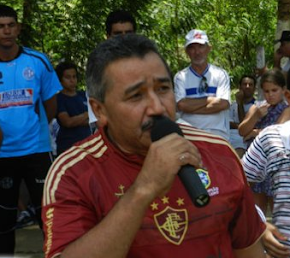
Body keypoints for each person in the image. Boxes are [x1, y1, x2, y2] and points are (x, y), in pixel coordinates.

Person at [42, 34, 266, 258]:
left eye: (162, 89)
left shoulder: (219, 153)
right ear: (99, 110)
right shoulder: (73, 173)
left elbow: (248, 250)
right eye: (135, 96)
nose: (157, 108)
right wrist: (143, 190)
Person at [0, 5, 62, 255]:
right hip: (3, 155)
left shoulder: (38, 61)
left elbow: (51, 105)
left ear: (18, 28)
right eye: (1, 26)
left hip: (37, 151)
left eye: (10, 25)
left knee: (48, 216)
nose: (6, 31)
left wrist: (33, 130)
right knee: (3, 222)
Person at [242, 68, 290, 257]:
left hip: (267, 161)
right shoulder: (259, 110)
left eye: (274, 90)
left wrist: (254, 132)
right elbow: (243, 130)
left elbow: (259, 132)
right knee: (263, 205)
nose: (270, 95)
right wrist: (255, 116)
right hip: (259, 161)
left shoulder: (284, 110)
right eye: (266, 91)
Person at [174, 29, 231, 140]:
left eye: (201, 46)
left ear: (208, 49)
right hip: (189, 133)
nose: (197, 52)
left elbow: (223, 104)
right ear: (187, 52)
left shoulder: (220, 74)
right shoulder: (180, 77)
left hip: (217, 133)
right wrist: (210, 100)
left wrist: (190, 106)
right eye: (192, 47)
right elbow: (181, 105)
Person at [87, 9, 137, 132]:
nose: (124, 38)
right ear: (108, 37)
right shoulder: (98, 66)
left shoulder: (148, 62)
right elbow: (98, 116)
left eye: (128, 33)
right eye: (118, 34)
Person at [55, 62, 91, 156]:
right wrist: (87, 114)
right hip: (67, 147)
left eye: (74, 77)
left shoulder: (83, 95)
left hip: (87, 145)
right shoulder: (59, 99)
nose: (72, 80)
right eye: (68, 77)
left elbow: (93, 119)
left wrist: (78, 119)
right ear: (60, 80)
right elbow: (67, 122)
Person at [229, 75, 256, 157]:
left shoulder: (256, 106)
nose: (247, 87)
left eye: (250, 85)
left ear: (254, 88)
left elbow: (244, 127)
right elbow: (228, 123)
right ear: (240, 87)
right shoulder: (232, 105)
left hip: (242, 140)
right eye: (245, 84)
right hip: (228, 136)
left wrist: (240, 103)